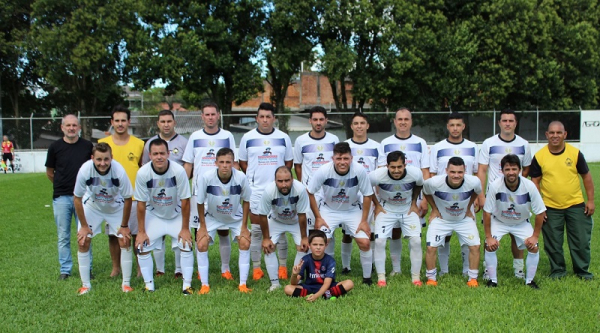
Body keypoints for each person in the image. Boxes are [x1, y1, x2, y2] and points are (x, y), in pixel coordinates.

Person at [530, 121, 595, 280]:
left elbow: (586, 177)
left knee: (580, 241)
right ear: (546, 135)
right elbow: (535, 182)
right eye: (551, 133)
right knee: (553, 243)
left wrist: (591, 200)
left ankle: (582, 271)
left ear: (565, 134)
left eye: (559, 133)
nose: (555, 136)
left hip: (576, 205)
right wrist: (540, 207)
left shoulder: (575, 153)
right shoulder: (540, 156)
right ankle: (558, 271)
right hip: (550, 207)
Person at [238, 102, 293, 281]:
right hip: (256, 190)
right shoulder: (247, 137)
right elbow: (243, 164)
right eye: (261, 117)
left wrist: (279, 183)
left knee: (280, 229)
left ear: (274, 119)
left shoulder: (284, 137)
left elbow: (288, 164)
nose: (265, 120)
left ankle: (282, 267)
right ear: (256, 119)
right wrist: (254, 179)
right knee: (256, 230)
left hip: (279, 191)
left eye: (268, 117)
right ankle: (256, 268)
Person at [307, 142, 375, 285]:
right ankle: (321, 275)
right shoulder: (324, 170)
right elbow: (310, 192)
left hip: (352, 210)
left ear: (351, 158)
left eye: (345, 158)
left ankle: (367, 278)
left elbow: (368, 195)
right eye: (339, 159)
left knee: (364, 242)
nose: (342, 162)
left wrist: (363, 221)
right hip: (329, 210)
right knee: (322, 241)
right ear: (333, 158)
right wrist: (318, 217)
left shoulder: (359, 170)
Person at [183, 102, 237, 281]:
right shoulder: (195, 137)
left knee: (223, 230)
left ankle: (225, 268)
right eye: (207, 114)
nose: (210, 117)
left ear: (218, 115)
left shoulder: (227, 136)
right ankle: (200, 270)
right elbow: (189, 164)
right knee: (200, 231)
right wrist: (184, 187)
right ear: (202, 117)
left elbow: (233, 162)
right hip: (200, 193)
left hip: (223, 192)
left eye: (213, 114)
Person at [477, 109, 532, 279]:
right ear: (499, 123)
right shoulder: (489, 143)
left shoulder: (524, 144)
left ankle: (519, 270)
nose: (507, 123)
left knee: (518, 235)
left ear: (515, 123)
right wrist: (481, 196)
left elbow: (527, 168)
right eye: (504, 120)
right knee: (491, 235)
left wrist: (517, 186)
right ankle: (488, 271)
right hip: (495, 199)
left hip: (518, 198)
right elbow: (482, 170)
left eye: (511, 120)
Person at [134, 138, 194, 294]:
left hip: (176, 214)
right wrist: (141, 231)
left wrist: (185, 228)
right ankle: (149, 285)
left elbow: (185, 200)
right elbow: (140, 204)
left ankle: (187, 286)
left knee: (186, 244)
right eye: (155, 154)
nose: (159, 157)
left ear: (168, 154)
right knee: (142, 246)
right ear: (150, 155)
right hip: (154, 215)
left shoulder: (178, 171)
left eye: (162, 153)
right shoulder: (143, 173)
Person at [73, 143, 134, 295]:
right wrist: (84, 226)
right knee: (83, 240)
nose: (102, 163)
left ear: (111, 158)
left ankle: (126, 284)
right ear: (92, 158)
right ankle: (85, 285)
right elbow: (77, 198)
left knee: (125, 239)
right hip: (93, 206)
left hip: (115, 207)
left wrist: (124, 226)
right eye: (99, 159)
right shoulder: (85, 170)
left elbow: (128, 198)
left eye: (106, 159)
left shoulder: (118, 170)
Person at [483, 154, 545, 289]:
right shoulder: (494, 186)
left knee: (534, 247)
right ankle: (492, 280)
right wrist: (488, 237)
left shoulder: (529, 186)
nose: (511, 172)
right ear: (502, 170)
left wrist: (535, 236)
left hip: (521, 222)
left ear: (520, 170)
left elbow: (540, 212)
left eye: (514, 169)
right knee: (489, 246)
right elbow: (487, 212)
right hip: (499, 221)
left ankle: (529, 281)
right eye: (507, 169)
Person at [380, 108, 430, 275]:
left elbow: (425, 171)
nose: (402, 122)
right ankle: (396, 269)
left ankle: (415, 270)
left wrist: (424, 199)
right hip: (391, 197)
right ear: (394, 122)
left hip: (413, 197)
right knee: (394, 231)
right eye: (399, 119)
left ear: (411, 121)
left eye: (406, 119)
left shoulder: (420, 142)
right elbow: (381, 171)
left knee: (414, 234)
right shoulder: (385, 143)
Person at [196, 148, 252, 294]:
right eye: (221, 162)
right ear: (216, 163)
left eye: (228, 162)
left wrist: (245, 226)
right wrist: (202, 226)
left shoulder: (241, 177)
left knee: (245, 242)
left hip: (235, 218)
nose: (225, 165)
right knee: (201, 244)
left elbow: (246, 201)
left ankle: (243, 284)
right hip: (212, 217)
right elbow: (200, 202)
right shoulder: (206, 177)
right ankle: (204, 285)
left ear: (233, 163)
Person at [429, 112, 478, 276]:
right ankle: (443, 270)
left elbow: (477, 173)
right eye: (452, 125)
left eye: (458, 125)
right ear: (447, 127)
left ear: (463, 126)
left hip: (466, 199)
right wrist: (432, 206)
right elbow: (432, 174)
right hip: (443, 200)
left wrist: (477, 199)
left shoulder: (472, 147)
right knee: (444, 236)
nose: (455, 128)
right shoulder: (438, 147)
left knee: (467, 236)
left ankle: (467, 270)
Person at [45, 114, 94, 280]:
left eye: (75, 125)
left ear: (79, 128)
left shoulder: (87, 146)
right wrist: (62, 184)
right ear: (62, 127)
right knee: (63, 235)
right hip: (62, 197)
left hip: (84, 198)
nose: (71, 128)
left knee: (85, 233)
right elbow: (50, 172)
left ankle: (87, 268)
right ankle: (65, 269)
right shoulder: (55, 147)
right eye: (68, 125)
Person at [142, 109, 189, 278]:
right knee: (158, 232)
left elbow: (188, 166)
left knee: (178, 234)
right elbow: (145, 168)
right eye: (162, 121)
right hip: (155, 195)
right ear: (158, 124)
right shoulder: (150, 143)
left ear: (174, 122)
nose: (166, 124)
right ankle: (160, 269)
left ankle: (179, 269)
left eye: (169, 121)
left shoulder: (184, 142)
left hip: (176, 194)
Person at [99, 105, 144, 277]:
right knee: (113, 235)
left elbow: (142, 168)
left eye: (123, 120)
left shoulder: (139, 144)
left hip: (132, 197)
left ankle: (140, 267)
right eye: (116, 120)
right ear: (111, 122)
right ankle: (116, 268)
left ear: (128, 122)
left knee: (135, 233)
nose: (120, 124)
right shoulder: (103, 144)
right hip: (111, 198)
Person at [423, 157, 481, 287]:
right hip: (442, 219)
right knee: (431, 247)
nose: (456, 175)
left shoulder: (474, 182)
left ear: (465, 171)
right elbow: (425, 192)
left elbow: (476, 193)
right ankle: (431, 278)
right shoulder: (433, 182)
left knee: (475, 246)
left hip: (463, 219)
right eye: (453, 172)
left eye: (460, 172)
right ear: (446, 171)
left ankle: (472, 278)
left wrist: (468, 208)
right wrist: (434, 209)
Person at [370, 151, 424, 287]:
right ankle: (381, 277)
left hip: (407, 209)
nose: (396, 170)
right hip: (386, 209)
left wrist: (413, 203)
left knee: (416, 241)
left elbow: (419, 185)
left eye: (399, 167)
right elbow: (366, 187)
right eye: (392, 167)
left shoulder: (415, 173)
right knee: (380, 241)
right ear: (387, 166)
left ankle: (416, 277)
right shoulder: (377, 175)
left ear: (405, 165)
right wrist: (376, 205)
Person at [293, 106, 339, 260]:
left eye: (321, 119)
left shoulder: (334, 140)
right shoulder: (301, 140)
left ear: (326, 120)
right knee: (309, 230)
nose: (318, 123)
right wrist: (304, 185)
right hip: (309, 192)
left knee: (326, 228)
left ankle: (327, 263)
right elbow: (298, 166)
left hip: (328, 192)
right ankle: (308, 263)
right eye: (315, 119)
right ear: (310, 121)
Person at [341, 112, 384, 274]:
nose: (359, 126)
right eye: (356, 123)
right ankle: (346, 266)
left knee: (368, 231)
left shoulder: (376, 146)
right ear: (351, 126)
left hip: (369, 195)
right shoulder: (345, 145)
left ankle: (370, 263)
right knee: (347, 233)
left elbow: (379, 170)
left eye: (362, 123)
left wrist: (377, 193)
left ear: (367, 126)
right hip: (350, 195)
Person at [258, 166, 310, 292]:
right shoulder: (269, 191)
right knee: (268, 247)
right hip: (276, 221)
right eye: (280, 181)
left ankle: (297, 281)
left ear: (292, 179)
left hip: (295, 221)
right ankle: (275, 284)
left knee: (303, 247)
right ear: (275, 181)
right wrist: (265, 238)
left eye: (287, 180)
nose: (284, 184)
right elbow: (262, 215)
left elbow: (302, 215)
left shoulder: (300, 189)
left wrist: (304, 237)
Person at [284, 230, 354, 301]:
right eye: (315, 244)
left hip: (328, 287)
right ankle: (324, 295)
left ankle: (320, 295)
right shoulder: (305, 259)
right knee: (287, 288)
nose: (318, 247)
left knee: (349, 283)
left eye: (321, 245)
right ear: (309, 245)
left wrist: (316, 296)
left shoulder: (330, 260)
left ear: (326, 245)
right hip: (310, 287)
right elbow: (294, 283)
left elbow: (327, 283)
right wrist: (294, 274)